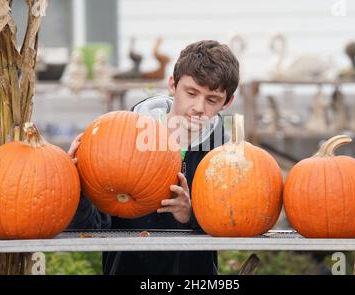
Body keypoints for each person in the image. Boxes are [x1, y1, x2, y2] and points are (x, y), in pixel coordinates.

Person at [67, 40, 240, 275]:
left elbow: (237, 220)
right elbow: (91, 226)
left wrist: (192, 216)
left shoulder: (224, 155)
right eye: (191, 93)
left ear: (227, 102)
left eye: (212, 99)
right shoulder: (122, 139)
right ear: (172, 85)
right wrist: (74, 186)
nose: (199, 107)